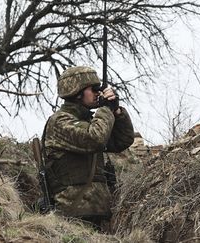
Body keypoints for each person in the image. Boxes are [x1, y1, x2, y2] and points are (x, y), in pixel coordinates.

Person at [42, 66, 134, 229]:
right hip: (71, 216)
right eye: (93, 89)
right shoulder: (60, 122)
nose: (98, 93)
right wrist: (106, 109)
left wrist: (117, 111)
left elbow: (123, 140)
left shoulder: (90, 122)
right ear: (76, 92)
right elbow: (95, 139)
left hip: (97, 213)